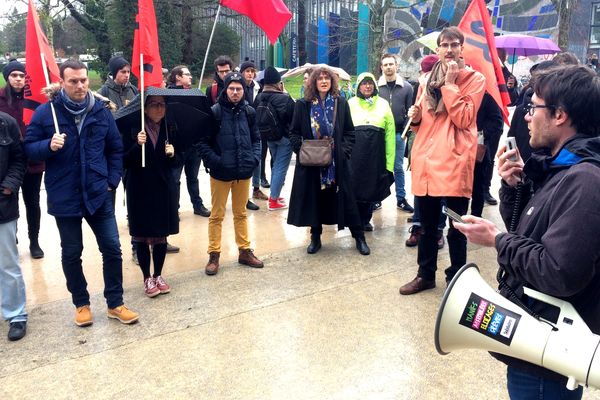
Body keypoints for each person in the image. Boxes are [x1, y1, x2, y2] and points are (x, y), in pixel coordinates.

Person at [455, 65, 600, 400]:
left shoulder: (585, 180)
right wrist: (512, 189)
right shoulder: (565, 169)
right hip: (537, 342)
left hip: (546, 356)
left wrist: (496, 240)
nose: (526, 117)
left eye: (533, 107)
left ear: (560, 115)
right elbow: (531, 234)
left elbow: (559, 272)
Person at [24, 60, 139, 326]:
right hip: (65, 194)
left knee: (112, 248)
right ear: (62, 83)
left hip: (98, 193)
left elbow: (115, 148)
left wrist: (112, 180)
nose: (80, 85)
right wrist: (47, 146)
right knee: (71, 252)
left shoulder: (100, 112)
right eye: (73, 81)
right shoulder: (46, 113)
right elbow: (28, 147)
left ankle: (115, 302)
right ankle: (81, 303)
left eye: (83, 80)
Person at [399, 27, 485, 295]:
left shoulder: (474, 79)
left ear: (462, 48)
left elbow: (463, 119)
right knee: (426, 226)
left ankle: (457, 279)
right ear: (437, 49)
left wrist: (450, 83)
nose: (449, 49)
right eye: (444, 45)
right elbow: (422, 124)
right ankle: (425, 275)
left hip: (454, 163)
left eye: (454, 44)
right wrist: (414, 117)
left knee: (457, 225)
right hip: (426, 162)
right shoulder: (425, 81)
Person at [287, 67, 370, 256]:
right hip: (311, 163)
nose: (324, 81)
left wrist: (344, 152)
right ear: (314, 82)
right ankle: (315, 237)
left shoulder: (341, 103)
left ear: (332, 81)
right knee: (315, 200)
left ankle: (359, 237)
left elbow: (349, 132)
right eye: (320, 78)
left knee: (347, 200)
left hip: (337, 163)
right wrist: (302, 151)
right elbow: (293, 132)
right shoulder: (303, 104)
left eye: (327, 78)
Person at [198, 72, 264, 275]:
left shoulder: (250, 112)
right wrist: (217, 162)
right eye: (232, 88)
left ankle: (244, 251)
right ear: (225, 90)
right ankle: (214, 254)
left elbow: (256, 139)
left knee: (241, 213)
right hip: (221, 174)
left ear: (244, 90)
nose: (235, 92)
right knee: (216, 215)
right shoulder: (215, 112)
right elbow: (202, 143)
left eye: (239, 88)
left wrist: (254, 158)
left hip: (244, 171)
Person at [121, 95, 178, 297]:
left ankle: (158, 274)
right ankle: (147, 277)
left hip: (162, 187)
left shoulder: (169, 128)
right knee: (143, 236)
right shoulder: (132, 128)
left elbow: (178, 159)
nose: (159, 109)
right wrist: (137, 145)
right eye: (154, 105)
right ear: (145, 109)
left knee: (161, 235)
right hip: (140, 188)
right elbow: (124, 161)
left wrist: (173, 154)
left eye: (162, 105)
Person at [0, 59, 45, 259]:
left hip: (33, 160)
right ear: (7, 78)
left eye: (22, 76)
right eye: (14, 76)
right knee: (10, 200)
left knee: (32, 202)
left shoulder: (34, 97)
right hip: (9, 162)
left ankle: (34, 241)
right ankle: (13, 237)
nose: (19, 79)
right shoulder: (0, 100)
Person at [404, 55, 447, 249]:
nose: (426, 76)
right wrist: (415, 117)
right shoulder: (420, 87)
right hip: (422, 145)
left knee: (441, 194)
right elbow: (417, 124)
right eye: (424, 72)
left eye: (429, 72)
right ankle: (417, 226)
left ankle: (438, 229)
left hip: (443, 150)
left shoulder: (446, 88)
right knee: (420, 188)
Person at [348, 72, 395, 231]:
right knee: (355, 188)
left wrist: (389, 164)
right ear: (358, 86)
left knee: (371, 189)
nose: (367, 86)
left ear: (374, 86)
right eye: (363, 83)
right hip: (355, 155)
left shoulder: (383, 104)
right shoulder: (350, 103)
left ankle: (366, 219)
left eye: (370, 83)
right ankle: (355, 221)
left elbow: (389, 134)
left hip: (375, 155)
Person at [167, 65, 210, 218]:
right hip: (177, 145)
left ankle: (198, 206)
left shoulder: (194, 94)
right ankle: (173, 208)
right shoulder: (167, 94)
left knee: (192, 177)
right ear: (178, 77)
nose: (190, 77)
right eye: (187, 74)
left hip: (193, 144)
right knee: (174, 179)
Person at [0, 111, 28, 341]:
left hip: (2, 205)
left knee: (8, 264)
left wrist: (9, 186)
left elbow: (19, 158)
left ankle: (16, 314)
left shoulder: (6, 123)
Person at [253, 66, 295, 211]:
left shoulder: (258, 97)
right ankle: (274, 200)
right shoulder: (285, 98)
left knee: (276, 165)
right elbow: (294, 120)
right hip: (284, 139)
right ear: (278, 82)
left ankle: (274, 194)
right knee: (280, 167)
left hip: (268, 137)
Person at [377, 53, 414, 213]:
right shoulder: (376, 87)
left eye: (391, 64)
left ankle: (401, 198)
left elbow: (410, 111)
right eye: (385, 65)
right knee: (378, 167)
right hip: (380, 135)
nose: (388, 67)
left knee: (398, 167)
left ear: (396, 65)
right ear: (381, 67)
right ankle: (376, 199)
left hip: (399, 134)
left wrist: (405, 131)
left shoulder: (407, 87)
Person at [240, 61, 268, 210]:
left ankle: (256, 188)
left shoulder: (258, 87)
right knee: (244, 162)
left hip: (256, 128)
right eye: (247, 71)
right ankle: (243, 197)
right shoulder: (237, 87)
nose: (250, 74)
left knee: (258, 159)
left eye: (252, 71)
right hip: (242, 128)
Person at [470, 92, 503, 217]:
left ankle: (476, 218)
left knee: (478, 188)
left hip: (478, 151)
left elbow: (497, 123)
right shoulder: (453, 93)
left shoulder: (486, 97)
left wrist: (480, 135)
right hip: (454, 151)